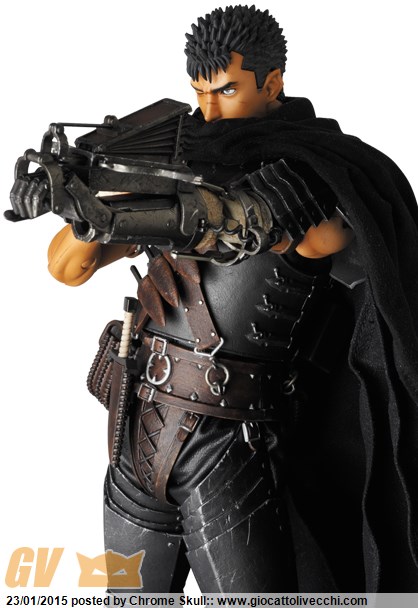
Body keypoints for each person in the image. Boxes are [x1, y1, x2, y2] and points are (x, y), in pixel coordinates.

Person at [8, 5, 418, 593]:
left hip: (229, 444)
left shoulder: (310, 173)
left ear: (272, 83)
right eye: (199, 92)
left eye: (226, 90)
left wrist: (172, 208)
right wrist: (81, 204)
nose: (209, 111)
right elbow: (65, 268)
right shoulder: (178, 162)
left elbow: (288, 234)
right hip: (137, 430)